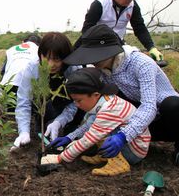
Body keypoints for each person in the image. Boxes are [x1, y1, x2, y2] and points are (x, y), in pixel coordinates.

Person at [63, 24, 179, 165]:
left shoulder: (141, 64)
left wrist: (124, 135)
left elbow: (149, 106)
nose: (93, 61)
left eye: (96, 57)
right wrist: (72, 136)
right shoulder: (102, 70)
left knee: (172, 106)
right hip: (142, 120)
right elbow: (101, 110)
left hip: (165, 117)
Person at [41, 68, 151, 176]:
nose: (77, 105)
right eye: (74, 100)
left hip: (134, 150)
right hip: (131, 143)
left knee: (97, 133)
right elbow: (88, 125)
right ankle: (105, 156)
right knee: (97, 130)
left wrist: (61, 157)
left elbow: (88, 139)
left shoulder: (109, 109)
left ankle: (118, 164)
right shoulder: (103, 100)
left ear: (96, 94)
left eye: (79, 100)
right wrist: (69, 137)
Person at [11, 32, 83, 150]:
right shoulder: (32, 68)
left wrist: (59, 121)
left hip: (66, 103)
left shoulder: (74, 70)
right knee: (41, 130)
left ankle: (69, 126)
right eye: (46, 58)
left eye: (57, 59)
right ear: (40, 55)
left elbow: (76, 103)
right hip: (44, 105)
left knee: (68, 130)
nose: (51, 64)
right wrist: (23, 131)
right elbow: (23, 102)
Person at [80, 0, 163, 61]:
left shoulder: (133, 6)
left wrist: (151, 47)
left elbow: (140, 28)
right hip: (97, 44)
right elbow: (87, 30)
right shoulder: (99, 4)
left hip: (118, 44)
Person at [0, 34, 41, 116]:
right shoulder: (39, 50)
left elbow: (3, 71)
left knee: (10, 113)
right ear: (39, 44)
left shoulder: (11, 50)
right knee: (28, 112)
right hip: (28, 87)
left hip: (8, 86)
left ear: (23, 42)